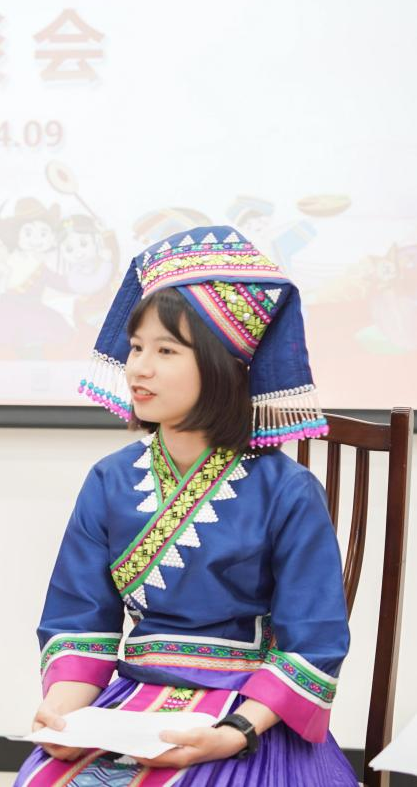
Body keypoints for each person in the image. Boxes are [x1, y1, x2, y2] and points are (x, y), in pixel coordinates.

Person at [18, 226, 354, 785]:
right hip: (133, 702)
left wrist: (234, 733)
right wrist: (62, 713)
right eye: (136, 347)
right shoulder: (108, 480)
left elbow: (312, 642)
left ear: (225, 366)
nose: (138, 368)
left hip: (250, 714)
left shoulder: (289, 491)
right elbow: (80, 621)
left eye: (166, 351)